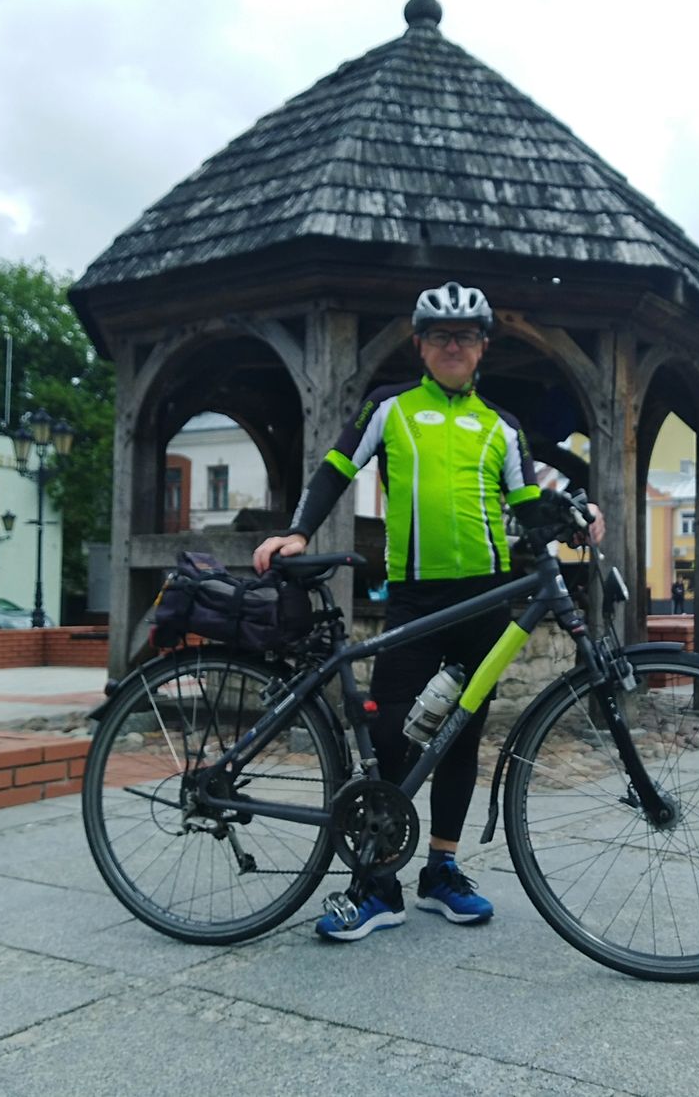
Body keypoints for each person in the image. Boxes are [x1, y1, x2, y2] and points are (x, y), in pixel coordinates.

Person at [253, 281, 604, 942]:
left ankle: (441, 869)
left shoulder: (501, 426)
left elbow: (527, 507)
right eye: (440, 335)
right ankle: (378, 884)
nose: (452, 345)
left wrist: (575, 514)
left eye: (465, 336)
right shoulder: (390, 408)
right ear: (420, 345)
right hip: (413, 595)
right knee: (391, 734)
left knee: (461, 736)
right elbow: (335, 468)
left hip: (484, 596)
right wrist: (298, 531)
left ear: (481, 347)